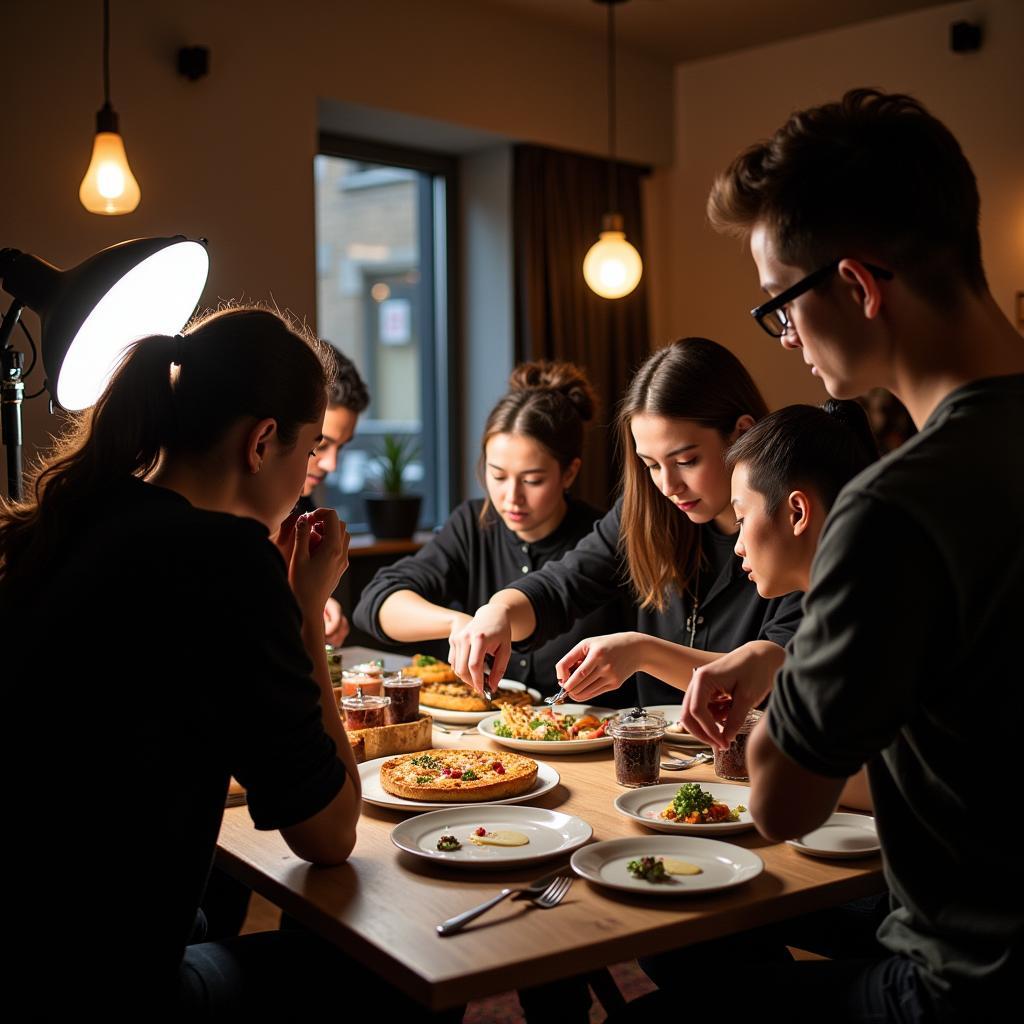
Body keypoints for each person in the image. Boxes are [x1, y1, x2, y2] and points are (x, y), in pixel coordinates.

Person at [644, 88, 1024, 1022]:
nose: (784, 338)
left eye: (780, 306)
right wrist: (779, 650)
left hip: (965, 989)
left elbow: (779, 802)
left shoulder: (894, 508)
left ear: (857, 285)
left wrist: (791, 674)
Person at [1, 308, 369, 1017]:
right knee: (389, 966)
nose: (309, 479)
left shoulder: (76, 515)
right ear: (263, 442)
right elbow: (329, 834)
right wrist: (303, 617)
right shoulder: (226, 564)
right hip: (101, 983)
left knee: (210, 909)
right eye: (310, 450)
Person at [449, 338, 803, 707]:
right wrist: (498, 612)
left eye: (685, 461)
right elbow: (562, 585)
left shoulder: (796, 528)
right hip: (655, 754)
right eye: (651, 465)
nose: (668, 486)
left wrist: (642, 652)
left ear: (741, 433)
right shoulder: (648, 511)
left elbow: (777, 671)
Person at [353, 361, 636, 703]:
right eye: (498, 476)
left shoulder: (602, 539)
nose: (511, 496)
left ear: (569, 473)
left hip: (590, 737)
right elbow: (377, 601)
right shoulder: (473, 525)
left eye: (532, 480)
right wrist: (461, 624)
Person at [300, 343, 369, 646]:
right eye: (322, 443)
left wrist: (319, 604)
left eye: (342, 446)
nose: (332, 464)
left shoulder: (303, 509)